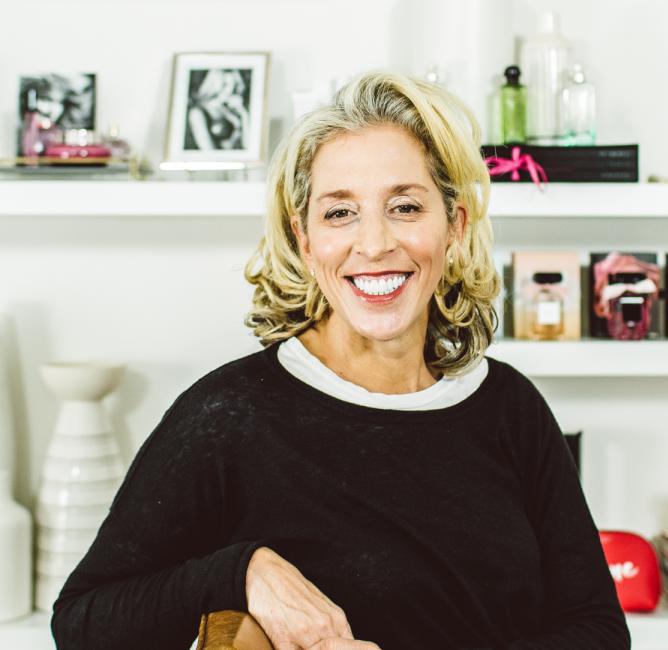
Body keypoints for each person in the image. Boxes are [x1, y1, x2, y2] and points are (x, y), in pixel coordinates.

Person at [50, 71, 630, 650]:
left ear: (454, 226)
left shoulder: (511, 407)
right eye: (338, 213)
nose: (374, 244)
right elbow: (82, 622)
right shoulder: (229, 416)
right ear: (305, 240)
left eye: (404, 207)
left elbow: (599, 630)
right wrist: (241, 572)